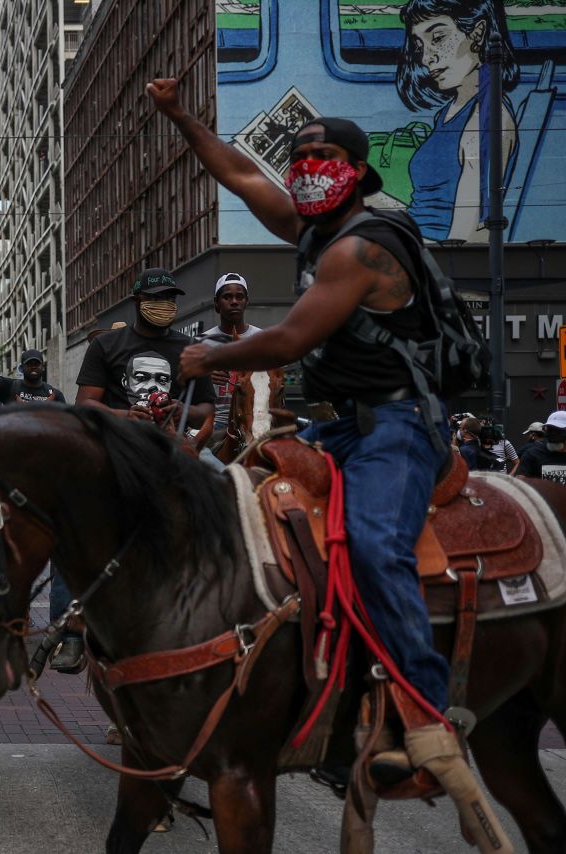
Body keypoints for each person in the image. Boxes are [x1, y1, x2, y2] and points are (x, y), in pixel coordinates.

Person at [151, 79, 510, 844]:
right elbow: (240, 174)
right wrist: (182, 116)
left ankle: (426, 720)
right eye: (301, 156)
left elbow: (287, 343)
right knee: (241, 497)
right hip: (338, 427)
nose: (309, 166)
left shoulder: (361, 245)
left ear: (357, 169)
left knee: (377, 546)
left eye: (325, 157)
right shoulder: (314, 227)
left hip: (401, 428)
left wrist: (209, 354)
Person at [395, 0, 518, 242]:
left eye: (438, 37)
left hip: (428, 257)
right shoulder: (448, 112)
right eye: (419, 45)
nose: (425, 58)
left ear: (478, 33)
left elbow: (467, 239)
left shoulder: (486, 120)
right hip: (415, 242)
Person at [75, 267, 215, 430]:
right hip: (119, 444)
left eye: (170, 298)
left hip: (172, 445)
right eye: (155, 297)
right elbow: (84, 404)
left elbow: (208, 409)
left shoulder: (192, 348)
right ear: (136, 300)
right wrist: (125, 416)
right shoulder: (105, 345)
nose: (164, 304)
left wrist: (186, 412)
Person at [198, 273, 264, 431]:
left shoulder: (262, 340)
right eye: (227, 297)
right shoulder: (200, 342)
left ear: (246, 301)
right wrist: (203, 377)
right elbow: (183, 384)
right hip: (214, 424)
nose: (234, 302)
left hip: (254, 421)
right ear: (216, 304)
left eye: (239, 297)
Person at [0, 344, 67, 406]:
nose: (33, 367)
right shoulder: (10, 387)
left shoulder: (55, 395)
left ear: (43, 367)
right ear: (22, 368)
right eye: (29, 364)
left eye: (37, 364)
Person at [513, 411, 566, 484]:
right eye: (550, 429)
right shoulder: (533, 453)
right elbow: (519, 483)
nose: (553, 433)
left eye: (558, 430)